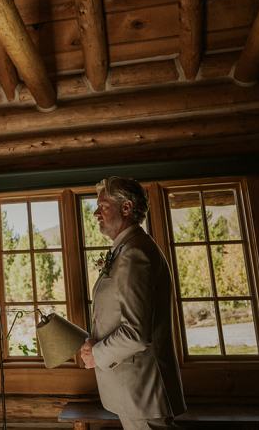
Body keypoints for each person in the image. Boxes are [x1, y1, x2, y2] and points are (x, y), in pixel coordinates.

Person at [77, 176, 186, 430]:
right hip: (134, 392)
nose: (95, 213)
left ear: (126, 208)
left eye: (102, 206)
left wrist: (96, 354)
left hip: (143, 392)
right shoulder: (127, 249)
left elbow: (136, 334)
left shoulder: (135, 253)